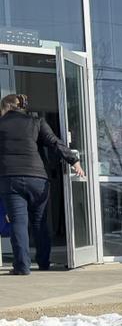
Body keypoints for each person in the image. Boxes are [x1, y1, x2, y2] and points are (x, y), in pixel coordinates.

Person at [0, 93, 83, 275]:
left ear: (6, 107)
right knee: (39, 222)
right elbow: (54, 142)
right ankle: (44, 262)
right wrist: (74, 161)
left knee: (18, 223)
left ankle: (22, 266)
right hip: (37, 179)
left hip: (10, 178)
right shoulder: (36, 122)